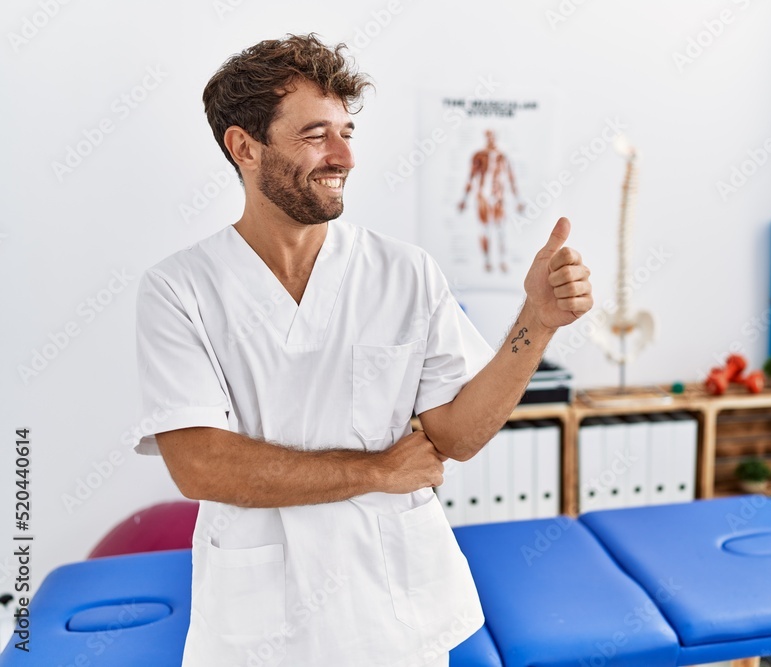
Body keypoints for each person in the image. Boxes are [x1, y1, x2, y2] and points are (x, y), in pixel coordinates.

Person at [132, 34, 592, 667]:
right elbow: (202, 466)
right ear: (244, 146)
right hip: (260, 626)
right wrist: (375, 471)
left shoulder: (405, 272)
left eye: (347, 131)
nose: (343, 154)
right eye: (315, 134)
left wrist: (537, 323)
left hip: (393, 613)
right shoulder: (179, 289)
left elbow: (454, 436)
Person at [457, 129, 524, 273]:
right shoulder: (479, 156)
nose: (491, 140)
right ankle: (487, 261)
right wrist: (464, 199)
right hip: (483, 196)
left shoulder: (503, 157)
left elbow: (511, 178)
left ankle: (502, 260)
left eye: (493, 137)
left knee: (501, 230)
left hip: (498, 197)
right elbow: (471, 177)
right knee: (485, 230)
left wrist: (517, 199)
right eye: (489, 137)